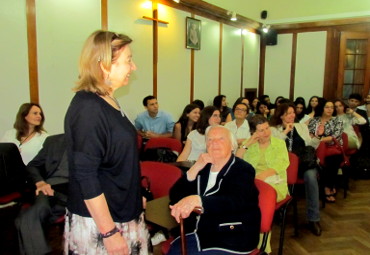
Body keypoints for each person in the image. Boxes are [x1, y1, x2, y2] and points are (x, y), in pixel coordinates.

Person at [64, 30, 150, 254]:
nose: (134, 67)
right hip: (102, 224)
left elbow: (117, 158)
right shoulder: (88, 108)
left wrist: (134, 195)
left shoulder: (109, 99)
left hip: (122, 211)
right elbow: (86, 175)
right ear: (103, 65)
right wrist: (109, 233)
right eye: (128, 60)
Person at [168, 126, 260, 254]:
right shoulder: (204, 167)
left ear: (233, 146)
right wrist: (195, 168)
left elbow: (235, 201)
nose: (214, 143)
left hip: (231, 236)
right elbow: (175, 196)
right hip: (200, 232)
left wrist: (199, 200)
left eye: (221, 139)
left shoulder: (242, 169)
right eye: (210, 139)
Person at [270, 103, 322, 236]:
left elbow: (311, 146)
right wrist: (286, 131)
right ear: (281, 115)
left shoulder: (301, 126)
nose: (292, 115)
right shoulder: (274, 129)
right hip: (282, 166)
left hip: (303, 164)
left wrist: (318, 137)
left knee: (311, 178)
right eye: (288, 113)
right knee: (272, 177)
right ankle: (279, 211)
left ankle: (313, 219)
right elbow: (274, 146)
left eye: (293, 113)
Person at [15, 134, 68, 255]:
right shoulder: (54, 141)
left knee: (25, 220)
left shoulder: (97, 141)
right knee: (39, 209)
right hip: (48, 187)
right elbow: (33, 165)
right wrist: (40, 182)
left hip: (74, 191)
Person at [236, 115, 289, 202]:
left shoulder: (280, 144)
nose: (266, 132)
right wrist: (248, 143)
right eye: (261, 130)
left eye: (267, 128)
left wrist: (258, 179)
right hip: (253, 182)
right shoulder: (249, 144)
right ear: (254, 132)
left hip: (274, 183)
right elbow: (237, 160)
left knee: (256, 197)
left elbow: (279, 165)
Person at [308, 100, 343, 203]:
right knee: (312, 160)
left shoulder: (337, 120)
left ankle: (328, 187)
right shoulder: (314, 120)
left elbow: (334, 136)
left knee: (332, 160)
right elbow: (309, 134)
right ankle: (323, 186)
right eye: (327, 107)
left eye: (332, 107)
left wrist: (320, 139)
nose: (330, 109)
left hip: (332, 148)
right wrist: (317, 139)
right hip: (316, 147)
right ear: (322, 108)